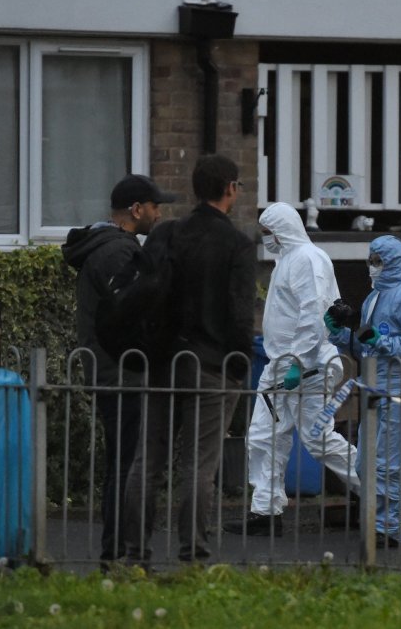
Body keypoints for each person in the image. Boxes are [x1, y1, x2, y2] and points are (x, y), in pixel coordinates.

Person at [123, 154, 256, 565]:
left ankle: (134, 552)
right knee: (200, 465)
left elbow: (143, 292)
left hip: (165, 360)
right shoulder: (237, 245)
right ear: (230, 188)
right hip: (212, 364)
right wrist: (238, 367)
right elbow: (239, 313)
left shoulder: (168, 234)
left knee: (148, 461)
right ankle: (193, 551)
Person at [223, 202, 360, 537]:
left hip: (305, 366)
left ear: (282, 230)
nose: (266, 239)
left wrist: (297, 362)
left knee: (319, 441)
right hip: (284, 365)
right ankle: (265, 511)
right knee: (263, 437)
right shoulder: (288, 260)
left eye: (269, 232)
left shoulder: (306, 261)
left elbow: (313, 315)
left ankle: (387, 491)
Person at [61, 173, 169, 563]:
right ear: (137, 210)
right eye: (155, 207)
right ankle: (119, 553)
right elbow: (133, 313)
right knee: (128, 466)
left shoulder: (110, 247)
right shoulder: (116, 253)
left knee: (121, 464)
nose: (159, 215)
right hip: (122, 373)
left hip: (113, 371)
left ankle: (116, 552)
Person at [327, 235, 401, 547]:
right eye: (371, 260)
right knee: (365, 464)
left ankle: (389, 529)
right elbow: (366, 347)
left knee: (392, 465)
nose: (373, 267)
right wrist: (340, 334)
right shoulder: (372, 299)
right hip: (375, 389)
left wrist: (379, 339)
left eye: (379, 261)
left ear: (395, 263)